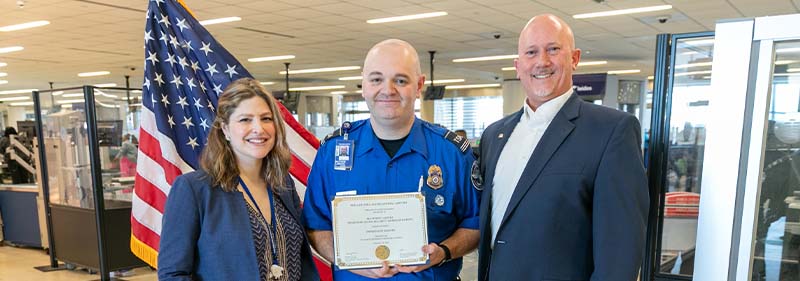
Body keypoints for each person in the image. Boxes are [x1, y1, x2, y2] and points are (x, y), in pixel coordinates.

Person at [476, 14, 649, 281]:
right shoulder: (494, 135)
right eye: (531, 52)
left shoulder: (611, 131)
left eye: (553, 49)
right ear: (518, 66)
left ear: (574, 58)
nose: (542, 62)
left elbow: (620, 251)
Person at [303, 39, 480, 281]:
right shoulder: (332, 153)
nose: (388, 90)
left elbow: (475, 224)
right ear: (363, 85)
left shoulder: (452, 154)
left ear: (419, 86)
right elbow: (316, 226)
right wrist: (348, 260)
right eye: (376, 79)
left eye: (400, 80)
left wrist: (444, 252)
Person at [158, 78, 320, 281]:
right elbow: (172, 273)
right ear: (225, 129)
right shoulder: (194, 189)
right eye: (245, 120)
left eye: (266, 119)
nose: (259, 129)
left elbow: (301, 259)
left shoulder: (283, 183)